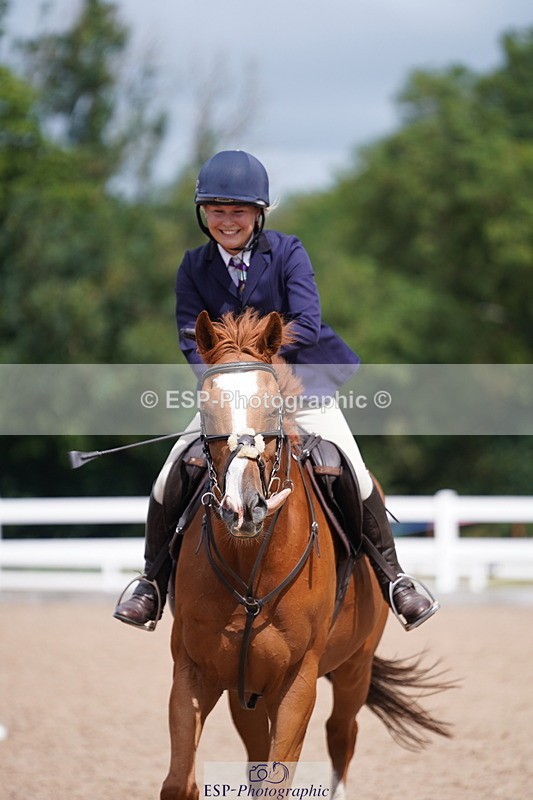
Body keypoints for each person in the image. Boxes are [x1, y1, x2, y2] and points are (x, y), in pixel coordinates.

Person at [114, 150, 439, 631]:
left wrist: (257, 357)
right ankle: (153, 583)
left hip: (302, 386)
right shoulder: (192, 266)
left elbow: (308, 323)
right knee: (168, 477)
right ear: (203, 214)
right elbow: (191, 337)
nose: (228, 221)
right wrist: (227, 384)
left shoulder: (287, 252)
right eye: (217, 211)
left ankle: (394, 579)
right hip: (233, 397)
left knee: (352, 468)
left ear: (258, 214)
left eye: (238, 211)